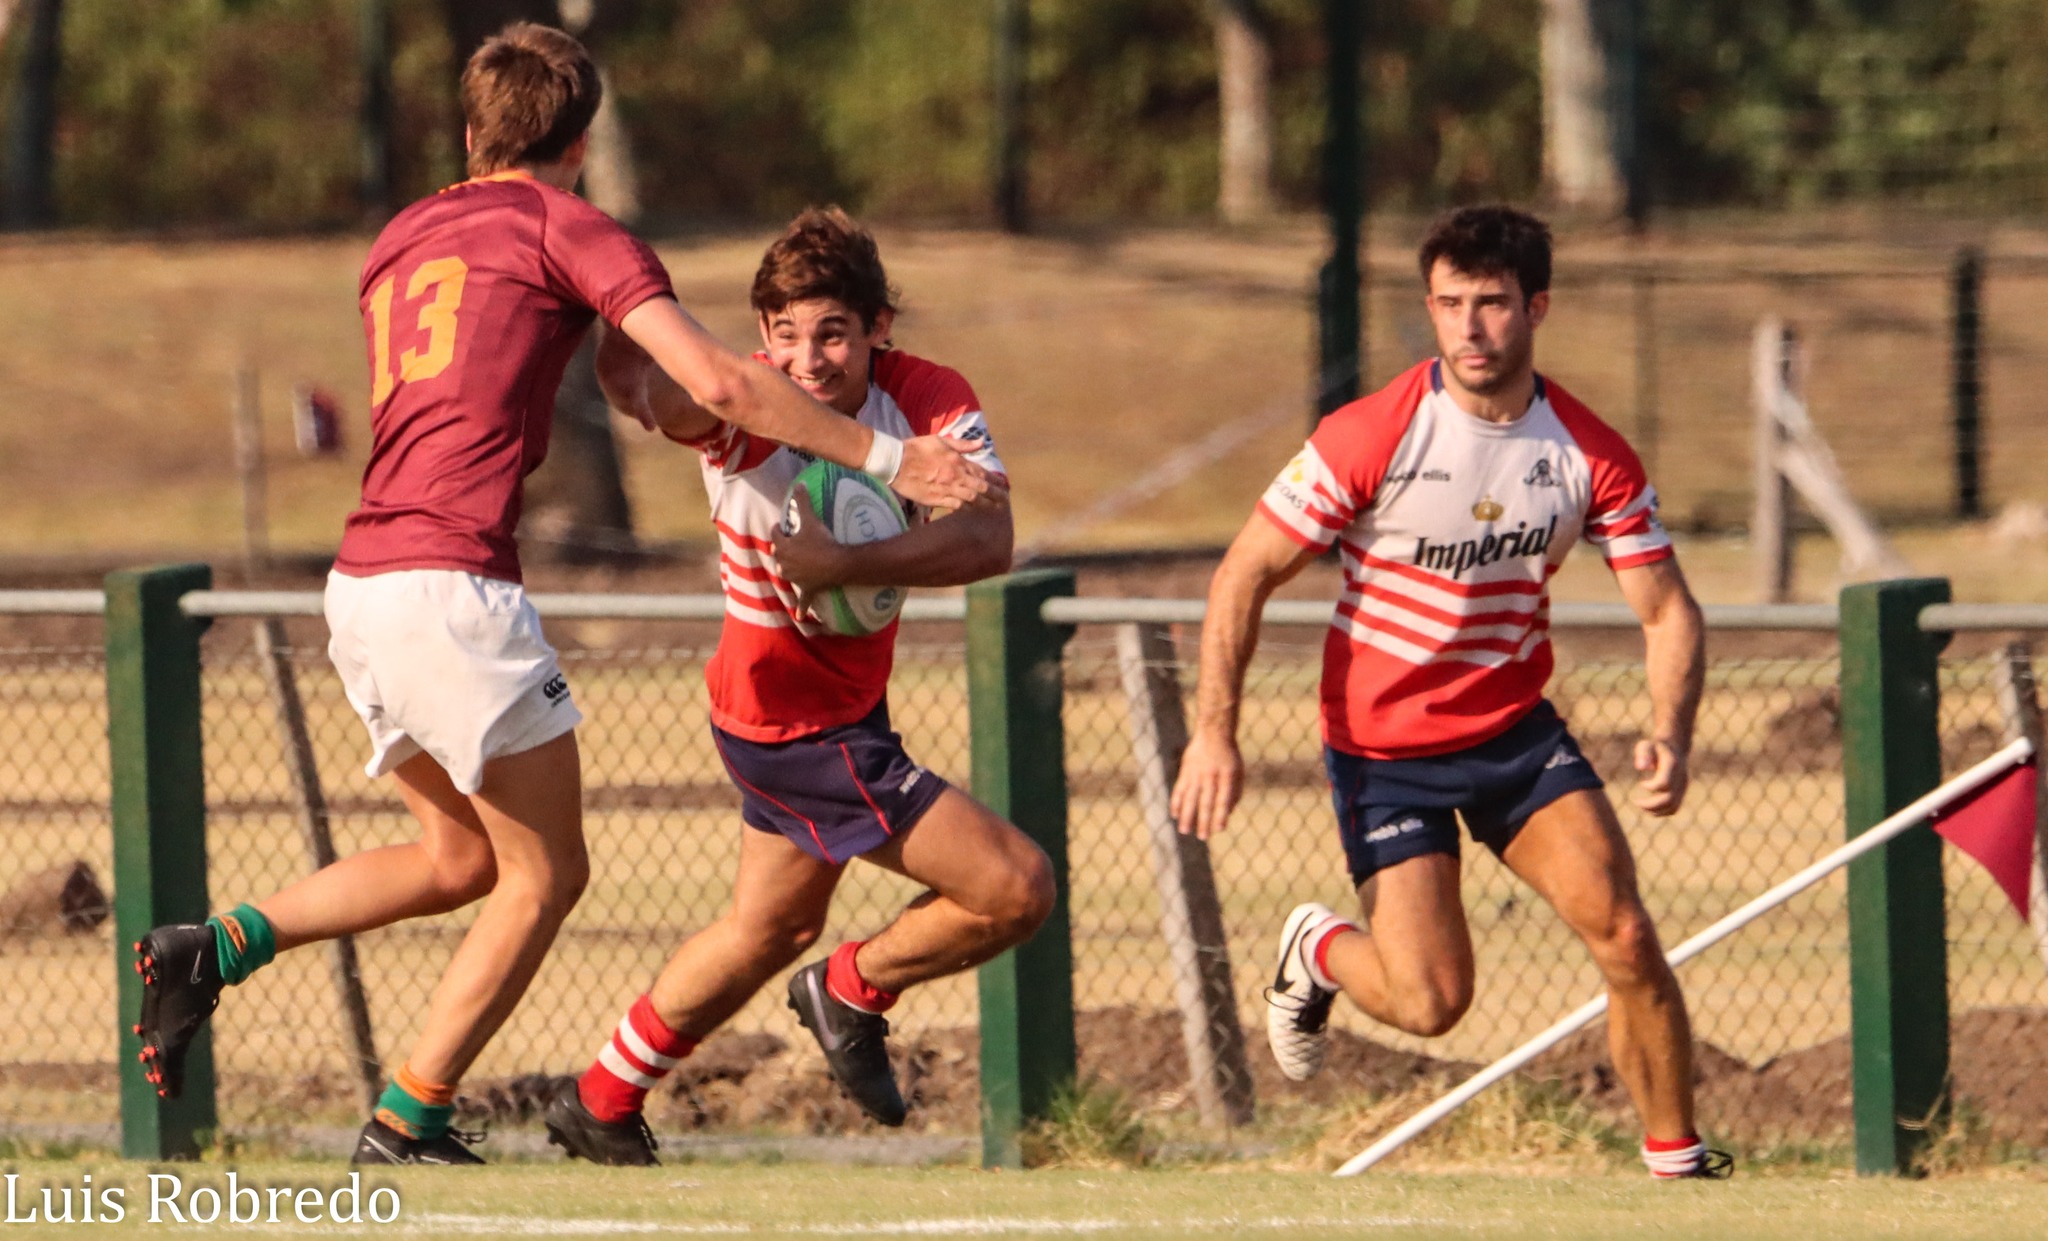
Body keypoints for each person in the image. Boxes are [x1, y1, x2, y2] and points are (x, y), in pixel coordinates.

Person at [130, 25, 990, 1167]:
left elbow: (589, 363)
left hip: (362, 583)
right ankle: (406, 1120)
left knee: (457, 861)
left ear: (469, 134)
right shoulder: (568, 226)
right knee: (548, 874)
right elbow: (721, 381)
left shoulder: (401, 236)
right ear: (581, 142)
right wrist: (891, 461)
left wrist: (626, 359)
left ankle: (213, 948)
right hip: (454, 587)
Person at [1170, 205, 1729, 1180]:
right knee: (1431, 1002)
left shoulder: (1587, 452)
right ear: (1429, 307)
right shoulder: (1369, 434)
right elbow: (1243, 573)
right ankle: (1320, 949)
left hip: (1515, 736)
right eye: (1448, 303)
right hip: (1384, 751)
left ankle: (1676, 1158)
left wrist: (1670, 733)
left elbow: (1668, 608)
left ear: (1536, 307)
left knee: (1625, 931)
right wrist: (1214, 732)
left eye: (1492, 303)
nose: (1469, 327)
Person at [540, 207, 1054, 1165]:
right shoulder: (748, 408)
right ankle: (852, 989)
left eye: (832, 333)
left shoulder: (927, 395)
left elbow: (991, 538)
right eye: (785, 335)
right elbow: (659, 394)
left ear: (878, 328)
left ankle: (600, 1100)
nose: (808, 360)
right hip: (791, 722)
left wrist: (843, 565)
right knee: (1015, 887)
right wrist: (619, 326)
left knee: (767, 927)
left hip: (841, 707)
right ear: (762, 336)